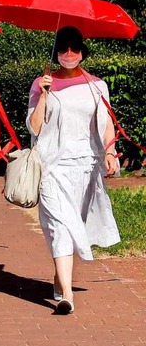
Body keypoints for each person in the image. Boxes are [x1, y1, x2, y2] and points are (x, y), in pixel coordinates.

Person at [27, 26, 120, 315]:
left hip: (85, 167)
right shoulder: (42, 83)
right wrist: (43, 95)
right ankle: (66, 294)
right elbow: (34, 127)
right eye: (63, 48)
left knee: (73, 224)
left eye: (74, 47)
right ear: (56, 52)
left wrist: (110, 151)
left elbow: (105, 124)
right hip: (52, 167)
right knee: (59, 226)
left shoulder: (96, 86)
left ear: (82, 51)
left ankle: (59, 277)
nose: (69, 53)